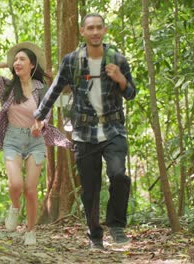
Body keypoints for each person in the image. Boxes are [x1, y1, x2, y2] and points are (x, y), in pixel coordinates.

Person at [33, 13, 137, 250]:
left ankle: (117, 225)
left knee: (119, 174)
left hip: (113, 129)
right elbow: (55, 89)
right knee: (90, 189)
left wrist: (121, 79)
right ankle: (95, 238)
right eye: (90, 28)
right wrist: (39, 117)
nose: (95, 32)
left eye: (99, 27)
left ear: (105, 30)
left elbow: (131, 93)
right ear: (82, 31)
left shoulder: (117, 59)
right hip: (84, 132)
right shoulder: (72, 61)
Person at [0, 42, 71, 246]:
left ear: (32, 65)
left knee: (30, 189)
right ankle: (14, 207)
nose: (18, 62)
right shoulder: (6, 86)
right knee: (16, 185)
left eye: (23, 59)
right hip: (12, 139)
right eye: (16, 59)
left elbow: (46, 111)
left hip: (35, 141)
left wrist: (40, 124)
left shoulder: (41, 88)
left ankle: (30, 231)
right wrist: (9, 61)